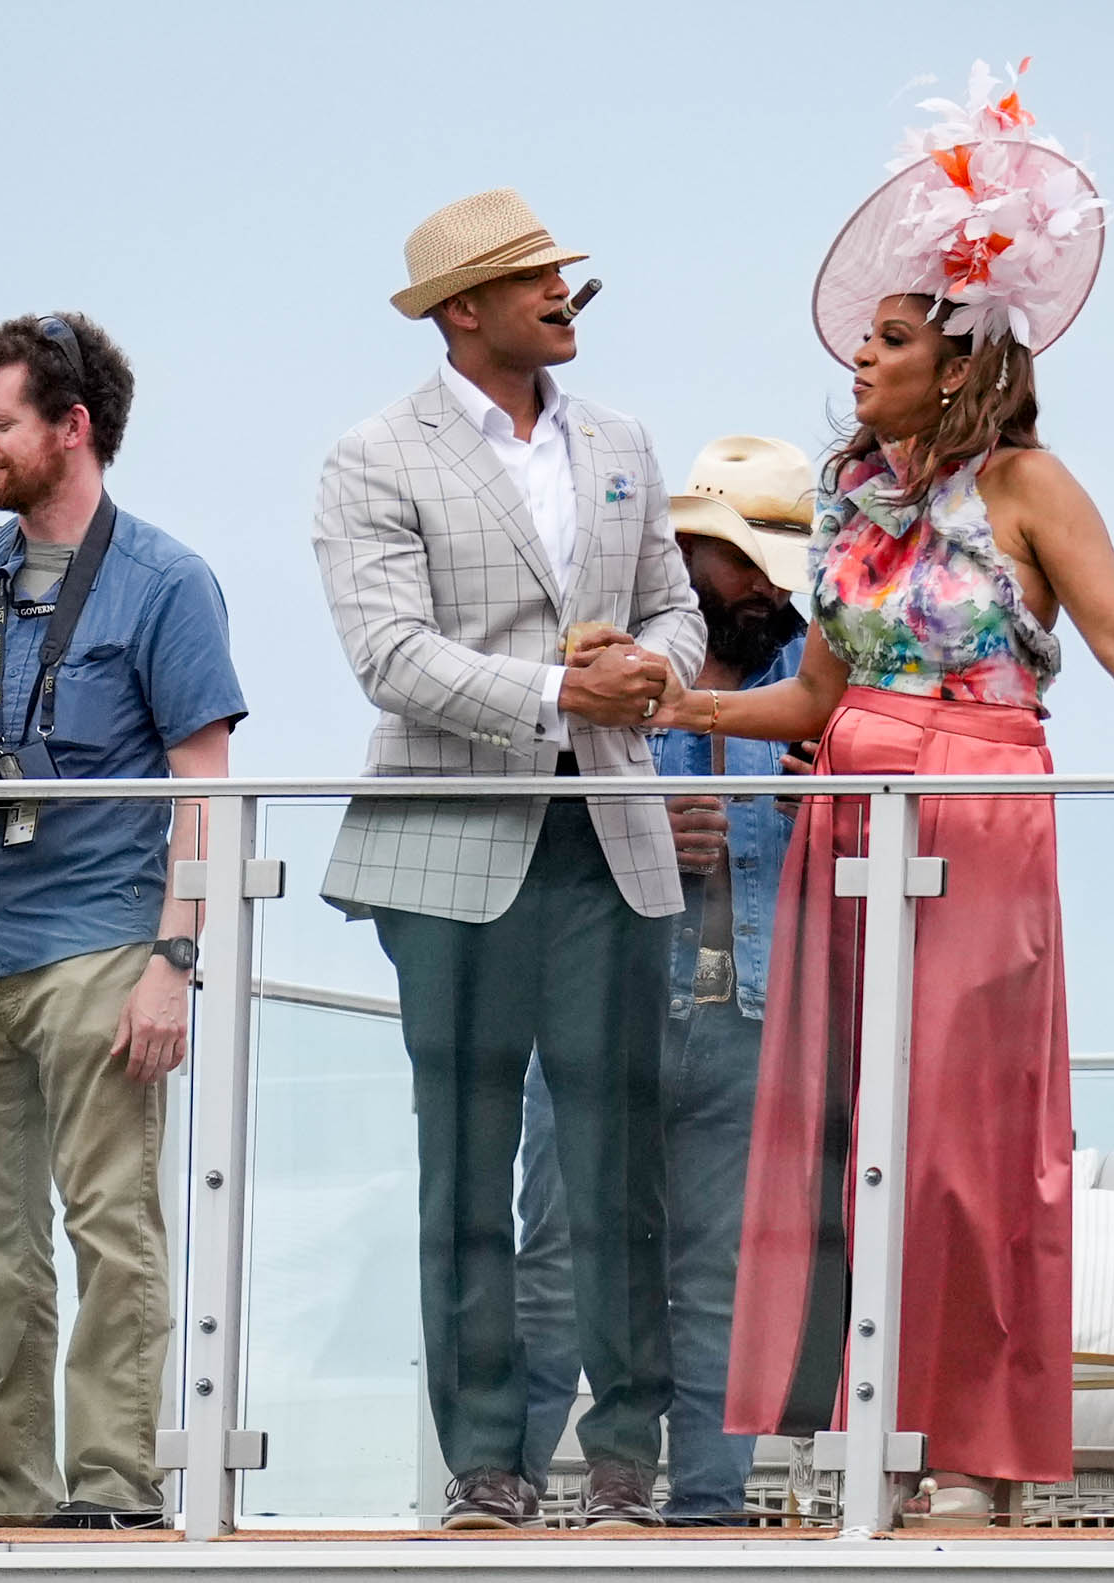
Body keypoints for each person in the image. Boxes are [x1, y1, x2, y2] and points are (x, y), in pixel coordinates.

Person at [652, 73, 1114, 1526]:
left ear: (958, 358)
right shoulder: (850, 498)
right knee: (841, 1124)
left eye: (885, 338)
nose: (855, 360)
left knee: (964, 1134)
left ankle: (976, 1450)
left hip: (976, 804)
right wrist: (681, 704)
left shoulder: (1026, 482)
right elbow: (811, 699)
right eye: (865, 337)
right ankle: (869, 1416)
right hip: (847, 805)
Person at [312, 188, 705, 1529]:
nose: (564, 295)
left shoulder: (623, 440)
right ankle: (483, 1461)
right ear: (461, 310)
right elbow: (386, 653)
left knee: (616, 1159)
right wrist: (554, 692)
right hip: (450, 849)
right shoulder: (373, 455)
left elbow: (676, 603)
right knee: (465, 1163)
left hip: (605, 838)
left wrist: (657, 667)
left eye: (563, 277)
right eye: (536, 278)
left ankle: (622, 1460)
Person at [0, 313, 245, 1530]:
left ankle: (112, 1487)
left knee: (110, 1224)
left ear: (70, 429)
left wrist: (173, 962)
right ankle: (5, 1491)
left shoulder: (166, 580)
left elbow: (207, 794)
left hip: (96, 936)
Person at [515, 435, 813, 1523]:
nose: (769, 584)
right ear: (690, 550)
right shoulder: (606, 658)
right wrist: (633, 832)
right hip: (603, 1003)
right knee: (553, 1253)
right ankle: (494, 1491)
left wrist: (806, 811)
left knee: (717, 1271)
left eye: (780, 558)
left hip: (748, 1015)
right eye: (749, 557)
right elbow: (525, 820)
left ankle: (707, 1512)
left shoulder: (812, 672)